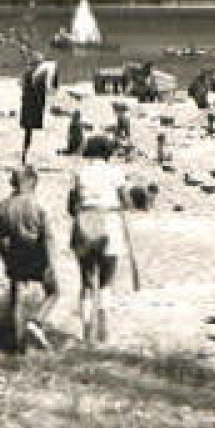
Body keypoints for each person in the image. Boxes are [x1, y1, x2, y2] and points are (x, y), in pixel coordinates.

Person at [67, 136, 138, 345]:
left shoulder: (80, 173)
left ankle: (86, 332)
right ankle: (103, 331)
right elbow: (127, 202)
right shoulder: (116, 173)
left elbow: (71, 206)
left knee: (87, 281)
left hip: (85, 221)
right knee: (106, 281)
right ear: (108, 153)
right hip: (109, 222)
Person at [0, 165, 65, 351]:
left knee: (17, 299)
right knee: (54, 292)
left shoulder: (3, 206)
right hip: (37, 253)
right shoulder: (38, 205)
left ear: (13, 182)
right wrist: (51, 264)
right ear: (32, 182)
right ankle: (36, 322)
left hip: (16, 253)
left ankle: (18, 347)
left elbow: (1, 239)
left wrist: (6, 260)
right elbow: (48, 237)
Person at [19, 53, 58, 163]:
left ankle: (25, 153)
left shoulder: (28, 73)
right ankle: (26, 154)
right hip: (34, 105)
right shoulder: (37, 74)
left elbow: (22, 85)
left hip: (27, 105)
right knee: (30, 131)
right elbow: (47, 88)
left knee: (28, 132)